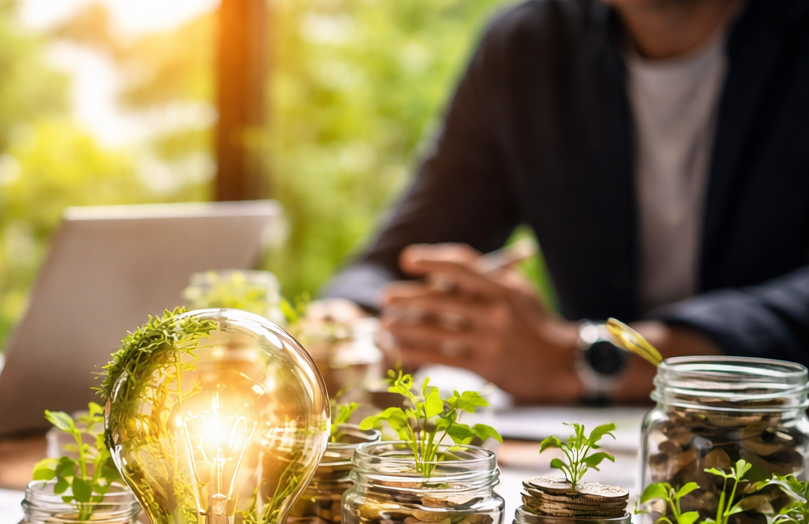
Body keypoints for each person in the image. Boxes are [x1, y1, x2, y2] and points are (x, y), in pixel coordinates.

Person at [314, 0, 809, 405]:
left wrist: (577, 359)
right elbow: (401, 256)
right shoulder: (528, 48)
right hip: (599, 467)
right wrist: (345, 324)